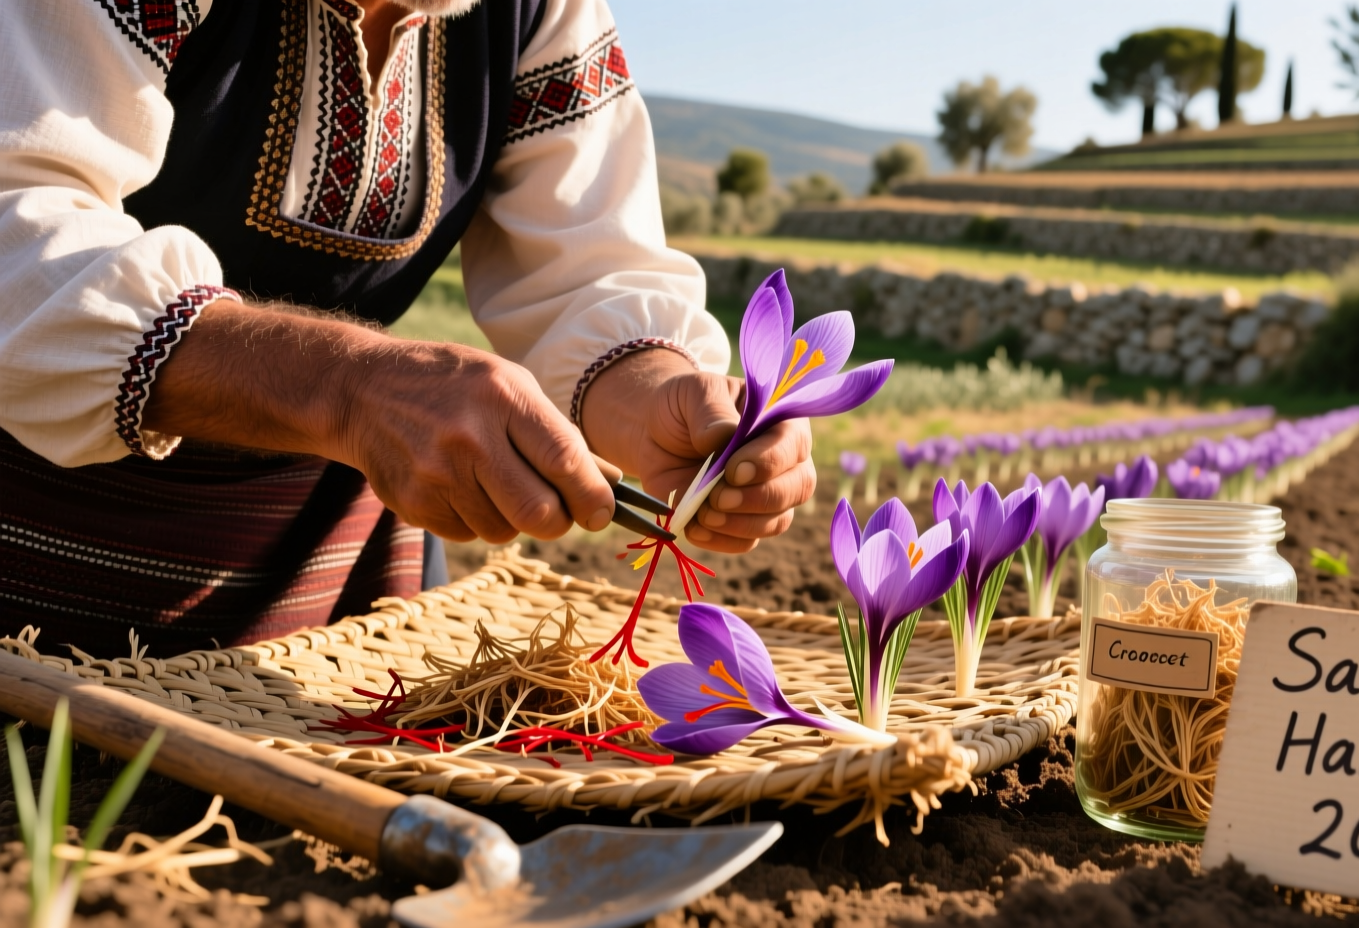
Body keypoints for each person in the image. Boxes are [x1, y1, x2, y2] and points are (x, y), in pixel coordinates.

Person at [0, 0, 813, 655]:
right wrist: (346, 388)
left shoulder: (535, 11)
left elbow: (585, 265)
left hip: (333, 602)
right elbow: (16, 223)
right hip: (35, 587)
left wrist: (655, 390)